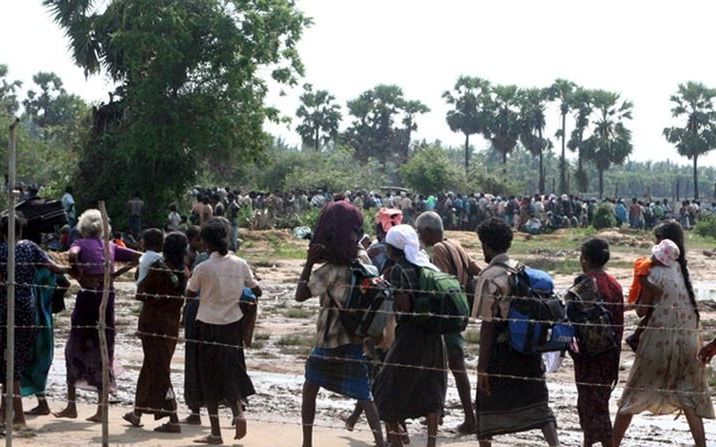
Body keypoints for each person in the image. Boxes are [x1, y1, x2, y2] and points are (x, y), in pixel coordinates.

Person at [613, 220, 714, 447]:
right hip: (688, 343)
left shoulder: (653, 272)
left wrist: (642, 286)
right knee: (688, 397)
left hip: (659, 342)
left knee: (633, 393)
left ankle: (612, 444)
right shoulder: (682, 271)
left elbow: (641, 311)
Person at [295, 202, 386, 447]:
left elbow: (300, 295)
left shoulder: (330, 270)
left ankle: (307, 442)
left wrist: (309, 262)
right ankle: (380, 441)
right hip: (356, 337)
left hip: (329, 339)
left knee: (310, 388)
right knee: (364, 394)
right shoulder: (362, 257)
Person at [472, 217, 559, 446]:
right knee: (539, 404)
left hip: (501, 351)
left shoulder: (490, 276)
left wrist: (482, 368)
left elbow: (488, 324)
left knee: (485, 405)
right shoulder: (522, 270)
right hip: (528, 349)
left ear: (486, 245)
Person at [54, 209, 141, 422]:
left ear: (83, 227)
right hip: (107, 296)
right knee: (104, 347)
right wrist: (113, 275)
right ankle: (101, 409)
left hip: (87, 298)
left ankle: (72, 405)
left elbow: (72, 254)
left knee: (74, 345)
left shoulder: (80, 244)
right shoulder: (110, 246)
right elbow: (138, 256)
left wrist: (77, 272)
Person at [185, 218, 260, 444]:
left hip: (207, 325)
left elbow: (190, 293)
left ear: (206, 244)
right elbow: (257, 290)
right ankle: (238, 412)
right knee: (231, 371)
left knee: (209, 378)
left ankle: (216, 432)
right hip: (232, 325)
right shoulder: (240, 264)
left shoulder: (203, 267)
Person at [373, 224, 447, 447]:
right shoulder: (428, 265)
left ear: (394, 249)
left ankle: (396, 440)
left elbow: (402, 306)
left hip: (410, 335)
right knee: (431, 389)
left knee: (385, 388)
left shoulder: (399, 269)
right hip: (435, 335)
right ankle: (430, 443)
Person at [415, 211, 480, 435]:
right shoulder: (456, 244)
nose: (419, 237)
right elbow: (475, 268)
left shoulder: (440, 250)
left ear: (429, 231)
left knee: (453, 364)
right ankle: (439, 411)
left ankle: (467, 418)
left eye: (420, 232)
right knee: (447, 363)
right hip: (459, 309)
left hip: (446, 313)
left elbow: (440, 284)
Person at [0, 216, 68, 428]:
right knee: (14, 361)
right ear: (21, 230)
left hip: (5, 310)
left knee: (7, 365)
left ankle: (17, 416)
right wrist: (72, 269)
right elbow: (53, 267)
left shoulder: (1, 251)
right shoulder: (30, 247)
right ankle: (5, 413)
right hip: (28, 309)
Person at [123, 232, 188, 433]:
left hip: (153, 324)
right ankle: (138, 412)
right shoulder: (184, 271)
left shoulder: (158, 268)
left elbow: (141, 293)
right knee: (151, 366)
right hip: (170, 325)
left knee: (160, 370)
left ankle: (173, 416)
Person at [570, 238, 624, 447]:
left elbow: (572, 322)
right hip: (610, 354)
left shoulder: (583, 284)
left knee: (590, 405)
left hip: (588, 356)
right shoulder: (614, 284)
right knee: (599, 403)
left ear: (584, 259)